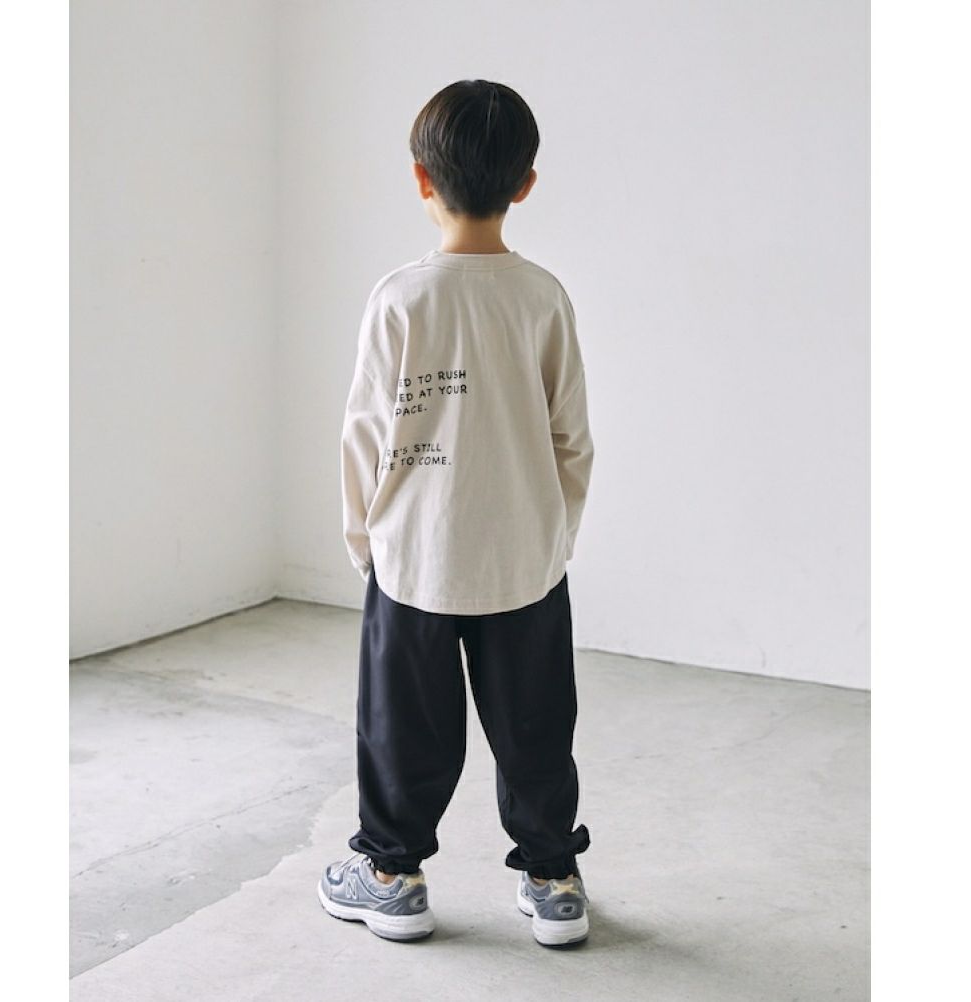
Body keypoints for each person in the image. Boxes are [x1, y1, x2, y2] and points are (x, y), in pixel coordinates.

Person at [317, 79, 595, 947]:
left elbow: (366, 432)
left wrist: (365, 540)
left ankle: (392, 875)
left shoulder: (402, 297)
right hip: (523, 558)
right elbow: (571, 437)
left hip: (416, 555)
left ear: (421, 179)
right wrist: (553, 535)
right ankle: (552, 877)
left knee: (403, 727)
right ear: (526, 184)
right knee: (537, 723)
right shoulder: (542, 296)